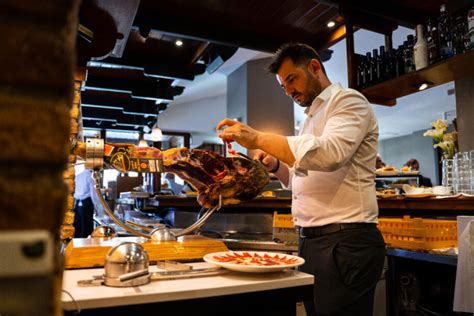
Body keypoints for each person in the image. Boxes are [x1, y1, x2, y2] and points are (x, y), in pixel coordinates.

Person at [216, 43, 385, 316]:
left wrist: (257, 137)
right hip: (312, 242)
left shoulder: (348, 101)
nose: (289, 91)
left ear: (315, 67)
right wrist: (275, 166)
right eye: (283, 86)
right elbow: (299, 181)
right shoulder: (309, 118)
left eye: (292, 79)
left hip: (346, 243)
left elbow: (331, 154)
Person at [73, 168, 100, 238]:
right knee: (86, 229)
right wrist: (97, 207)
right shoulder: (90, 177)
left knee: (77, 228)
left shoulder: (77, 176)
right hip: (86, 204)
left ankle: (76, 247)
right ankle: (85, 247)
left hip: (77, 205)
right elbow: (93, 194)